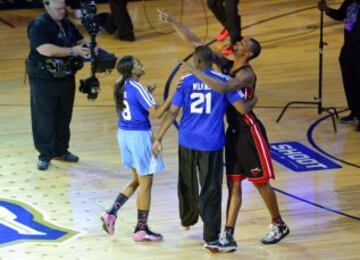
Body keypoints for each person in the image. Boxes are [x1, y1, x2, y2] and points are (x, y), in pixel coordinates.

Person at [158, 10, 290, 253]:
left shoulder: (245, 74)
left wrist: (194, 72)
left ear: (248, 53)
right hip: (233, 133)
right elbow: (199, 46)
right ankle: (227, 234)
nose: (237, 42)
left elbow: (223, 86)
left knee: (260, 183)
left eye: (242, 43)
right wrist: (175, 22)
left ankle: (278, 224)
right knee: (234, 184)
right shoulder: (227, 64)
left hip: (250, 132)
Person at [152, 45, 255, 247]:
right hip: (211, 143)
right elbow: (242, 109)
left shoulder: (187, 80)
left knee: (186, 182)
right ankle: (211, 236)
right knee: (211, 188)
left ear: (197, 62)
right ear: (211, 61)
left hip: (187, 140)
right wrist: (253, 102)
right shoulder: (224, 82)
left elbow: (172, 112)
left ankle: (187, 219)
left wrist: (158, 138)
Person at [101, 56, 172, 242]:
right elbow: (156, 113)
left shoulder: (120, 84)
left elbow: (131, 103)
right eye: (138, 64)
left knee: (137, 180)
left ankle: (111, 213)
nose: (142, 65)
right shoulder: (137, 87)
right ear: (131, 70)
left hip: (124, 134)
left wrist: (146, 93)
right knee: (146, 184)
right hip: (139, 137)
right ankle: (141, 229)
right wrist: (173, 96)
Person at [26, 0, 90, 170]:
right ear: (47, 6)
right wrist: (72, 51)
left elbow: (78, 41)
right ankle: (45, 154)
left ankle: (61, 150)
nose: (63, 11)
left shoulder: (66, 23)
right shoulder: (38, 25)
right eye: (59, 9)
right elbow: (44, 49)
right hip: (43, 78)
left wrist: (87, 47)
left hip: (65, 76)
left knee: (64, 115)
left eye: (64, 7)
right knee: (44, 116)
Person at [318, 0, 360, 131]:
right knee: (350, 79)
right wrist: (327, 10)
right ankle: (355, 112)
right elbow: (341, 15)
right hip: (349, 45)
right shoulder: (350, 1)